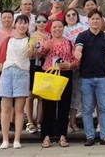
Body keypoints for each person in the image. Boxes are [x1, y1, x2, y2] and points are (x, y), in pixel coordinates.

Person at [74, 10, 105, 146]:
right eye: (92, 18)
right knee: (87, 109)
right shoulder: (82, 36)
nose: (95, 21)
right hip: (86, 78)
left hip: (102, 77)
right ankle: (90, 136)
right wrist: (77, 53)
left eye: (97, 18)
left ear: (101, 20)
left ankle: (104, 136)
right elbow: (78, 49)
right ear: (88, 20)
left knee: (104, 107)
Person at [0, 14, 34, 149]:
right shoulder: (8, 40)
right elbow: (0, 60)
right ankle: (5, 139)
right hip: (7, 73)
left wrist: (32, 48)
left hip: (22, 73)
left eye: (25, 23)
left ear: (28, 25)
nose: (22, 26)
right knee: (6, 109)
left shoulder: (30, 40)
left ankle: (17, 139)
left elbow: (32, 52)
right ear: (15, 25)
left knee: (19, 109)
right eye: (19, 23)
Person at [37, 19, 77, 148]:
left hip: (65, 74)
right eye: (54, 27)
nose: (57, 29)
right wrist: (42, 44)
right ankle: (46, 136)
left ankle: (62, 135)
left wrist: (68, 65)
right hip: (50, 74)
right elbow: (37, 51)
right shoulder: (47, 42)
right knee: (48, 106)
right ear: (51, 29)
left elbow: (76, 61)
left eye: (59, 27)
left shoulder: (70, 43)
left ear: (63, 28)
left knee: (64, 105)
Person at [63, 8, 88, 133]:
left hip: (80, 66)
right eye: (68, 15)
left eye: (74, 14)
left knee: (76, 95)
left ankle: (72, 121)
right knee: (66, 95)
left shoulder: (84, 28)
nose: (71, 17)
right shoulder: (61, 30)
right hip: (65, 67)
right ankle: (65, 122)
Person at [26, 13, 50, 134]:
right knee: (30, 95)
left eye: (44, 21)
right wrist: (33, 50)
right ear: (35, 23)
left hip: (45, 66)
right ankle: (30, 122)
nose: (41, 24)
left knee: (41, 95)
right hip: (32, 66)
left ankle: (39, 121)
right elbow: (29, 52)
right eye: (39, 22)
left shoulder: (50, 35)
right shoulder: (31, 35)